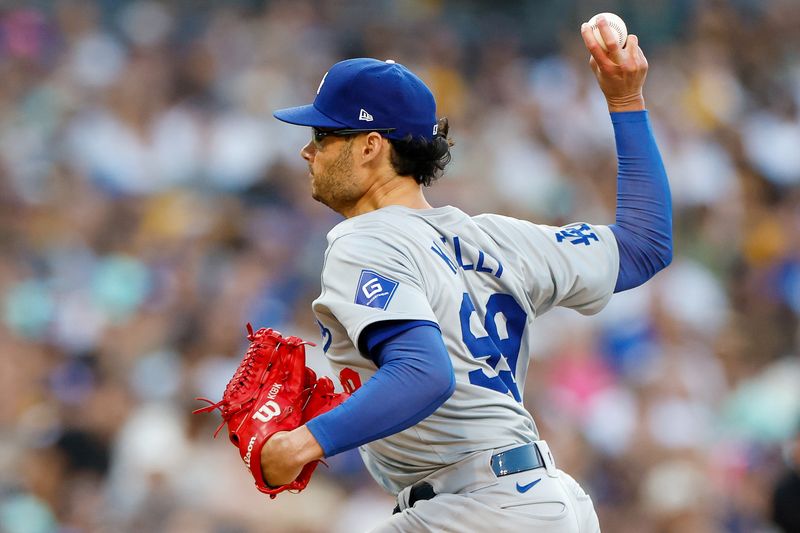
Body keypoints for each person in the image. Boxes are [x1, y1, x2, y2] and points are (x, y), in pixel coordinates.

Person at [260, 18, 671, 532]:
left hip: (477, 510)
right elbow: (643, 245)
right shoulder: (496, 238)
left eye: (323, 135)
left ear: (369, 146)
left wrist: (303, 443)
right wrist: (627, 102)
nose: (308, 150)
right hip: (544, 502)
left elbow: (424, 373)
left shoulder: (364, 239)